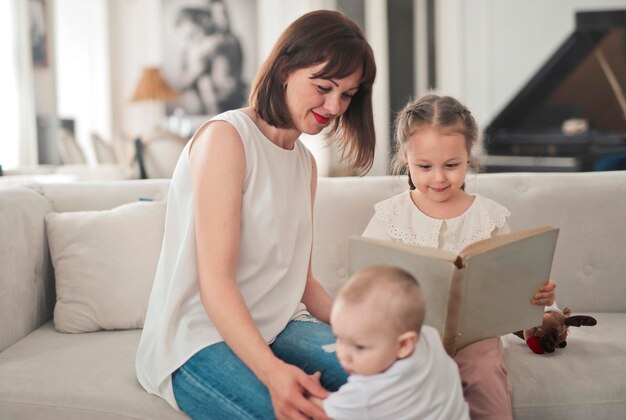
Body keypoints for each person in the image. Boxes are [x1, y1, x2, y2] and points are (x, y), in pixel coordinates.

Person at [136, 9, 376, 420]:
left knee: (386, 385)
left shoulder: (305, 164)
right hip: (198, 336)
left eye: (348, 94)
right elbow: (216, 286)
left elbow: (302, 280)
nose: (335, 105)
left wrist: (363, 330)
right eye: (323, 87)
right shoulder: (227, 139)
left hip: (280, 324)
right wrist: (273, 372)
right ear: (285, 70)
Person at [362, 94, 557, 420]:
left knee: (483, 375)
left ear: (469, 158)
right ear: (405, 159)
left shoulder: (489, 215)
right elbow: (366, 279)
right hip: (412, 334)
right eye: (424, 166)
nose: (439, 178)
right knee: (407, 382)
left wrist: (539, 296)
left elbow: (515, 279)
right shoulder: (390, 215)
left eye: (451, 165)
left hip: (475, 337)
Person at [309, 265, 470, 419]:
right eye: (338, 338)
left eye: (359, 347)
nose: (343, 354)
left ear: (403, 345)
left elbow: (313, 409)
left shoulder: (366, 395)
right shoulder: (430, 337)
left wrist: (310, 391)